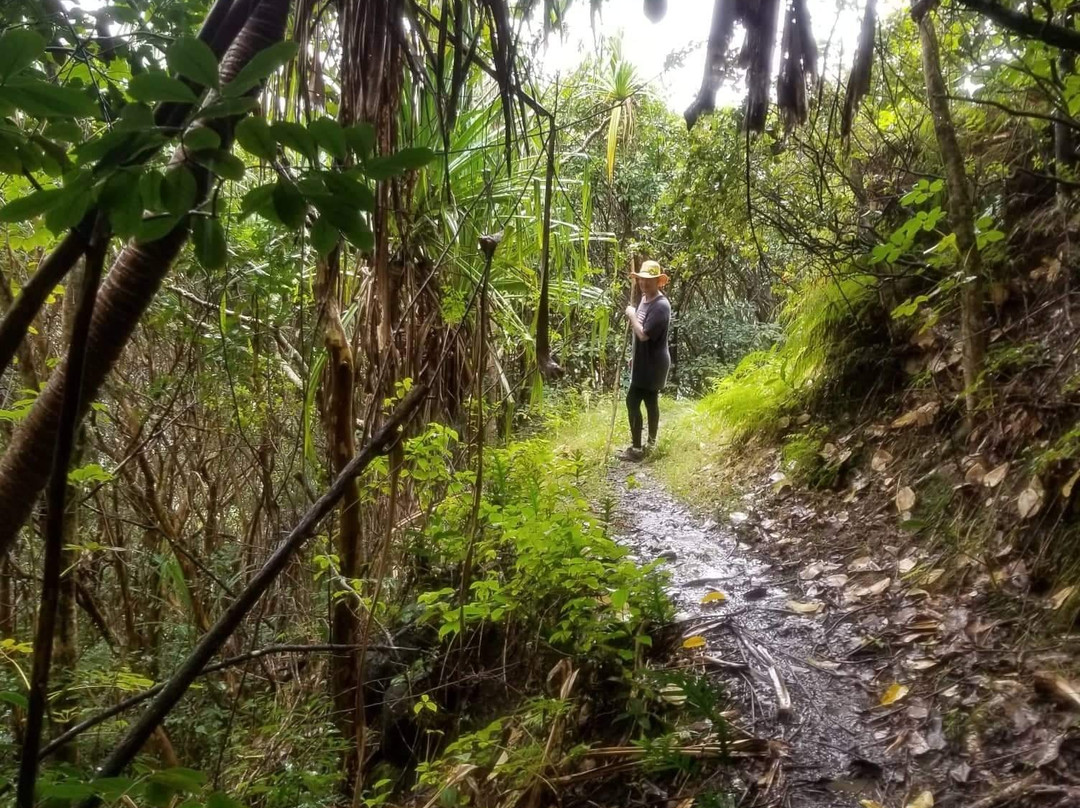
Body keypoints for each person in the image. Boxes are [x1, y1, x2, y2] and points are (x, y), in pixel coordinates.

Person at [620, 260, 671, 461]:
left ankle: (638, 448)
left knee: (633, 400)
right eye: (641, 280)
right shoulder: (644, 298)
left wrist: (631, 314)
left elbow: (643, 334)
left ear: (659, 282)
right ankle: (648, 444)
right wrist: (635, 356)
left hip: (654, 365)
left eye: (649, 280)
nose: (643, 283)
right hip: (643, 361)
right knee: (650, 401)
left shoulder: (661, 306)